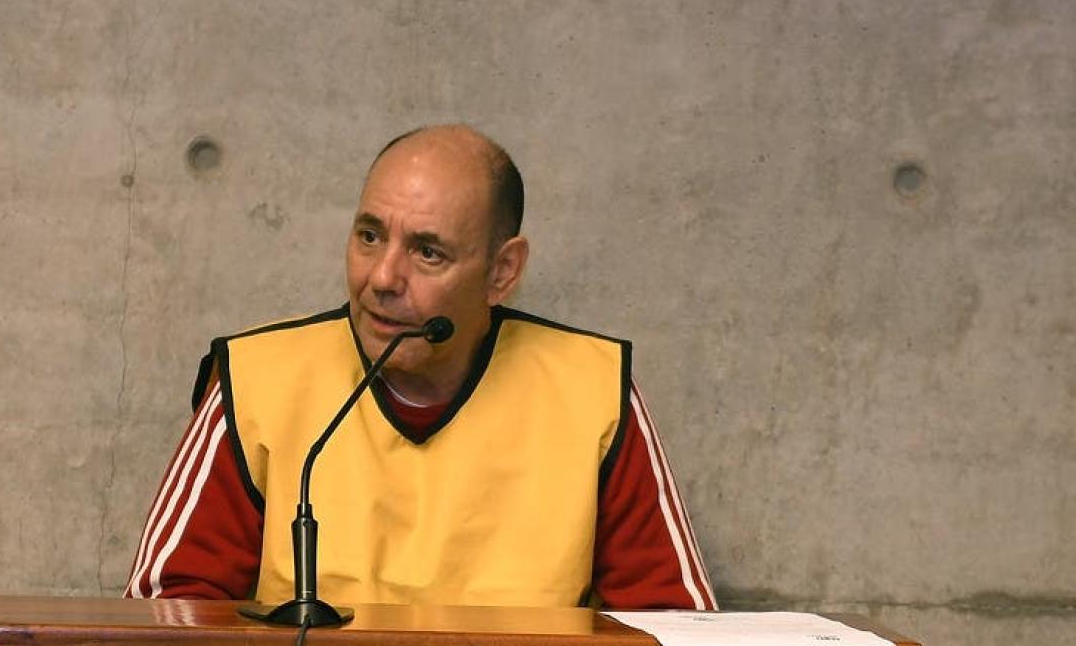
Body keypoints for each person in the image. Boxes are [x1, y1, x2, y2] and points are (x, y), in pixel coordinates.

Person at [125, 125, 715, 610]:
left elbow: (677, 636)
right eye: (369, 236)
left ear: (502, 273)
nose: (382, 278)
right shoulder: (258, 380)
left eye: (427, 252)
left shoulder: (591, 392)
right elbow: (165, 618)